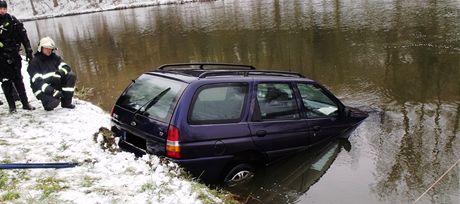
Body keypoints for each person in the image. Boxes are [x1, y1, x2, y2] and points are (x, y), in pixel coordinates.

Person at [0, 0, 35, 113]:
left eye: (4, 8)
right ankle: (12, 107)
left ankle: (25, 103)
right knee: (6, 82)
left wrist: (28, 50)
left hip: (14, 56)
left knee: (19, 80)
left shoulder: (12, 20)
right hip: (1, 59)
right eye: (0, 8)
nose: (2, 10)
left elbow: (23, 35)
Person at [27, 37, 76, 111]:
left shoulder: (54, 57)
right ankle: (47, 103)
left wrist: (59, 74)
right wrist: (52, 91)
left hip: (54, 83)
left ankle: (66, 103)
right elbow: (38, 83)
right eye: (46, 48)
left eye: (50, 48)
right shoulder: (34, 63)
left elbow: (66, 67)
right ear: (41, 48)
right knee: (53, 103)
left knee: (71, 75)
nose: (49, 50)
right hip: (42, 89)